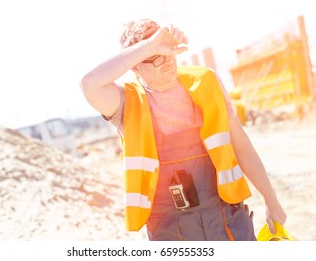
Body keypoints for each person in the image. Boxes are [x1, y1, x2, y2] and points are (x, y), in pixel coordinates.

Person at [79, 19, 287, 241]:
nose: (167, 60)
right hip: (170, 231)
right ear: (135, 64)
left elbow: (241, 145)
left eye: (168, 50)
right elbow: (89, 83)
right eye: (155, 57)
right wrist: (149, 46)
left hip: (226, 219)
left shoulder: (206, 82)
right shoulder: (126, 102)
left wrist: (271, 200)